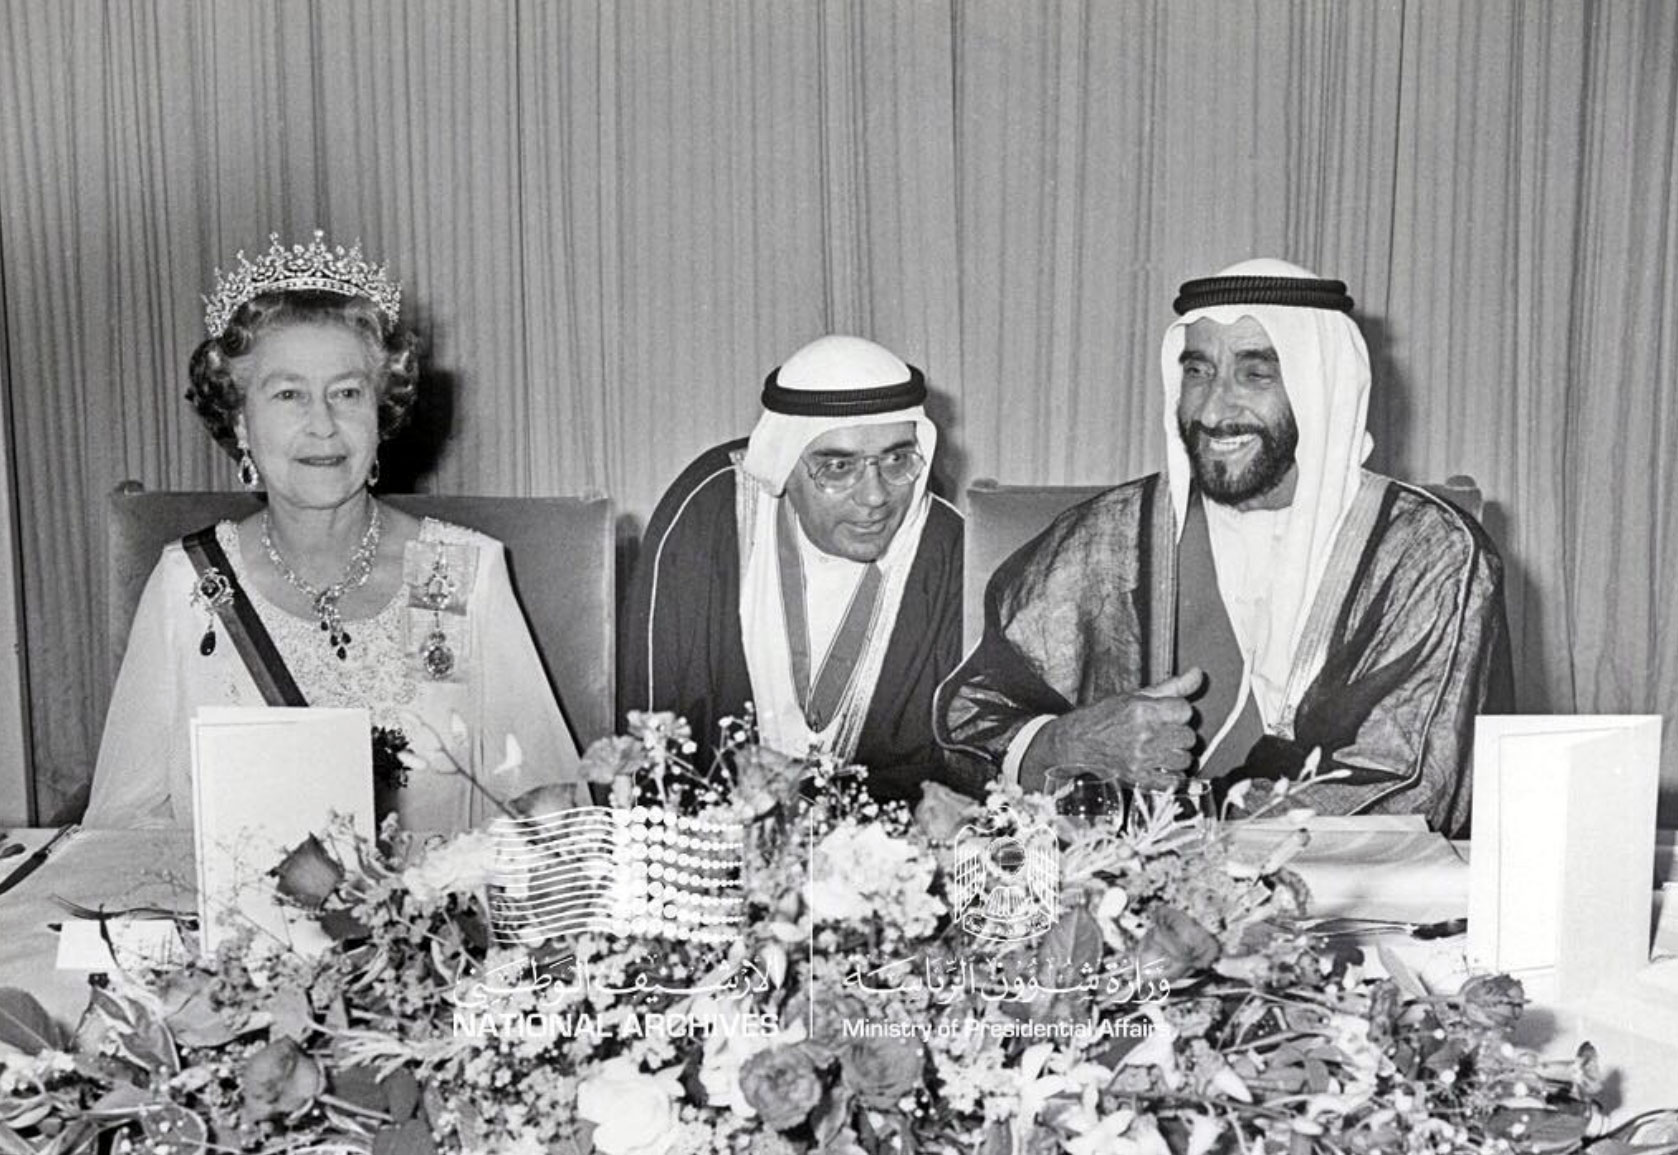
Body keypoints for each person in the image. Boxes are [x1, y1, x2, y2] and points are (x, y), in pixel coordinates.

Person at [936, 259, 1511, 834]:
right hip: (1121, 878)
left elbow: (1415, 789)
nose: (1212, 411)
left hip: (1344, 888)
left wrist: (1183, 823)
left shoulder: (1429, 553)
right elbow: (967, 725)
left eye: (1256, 375)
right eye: (1198, 372)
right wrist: (1061, 746)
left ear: (1320, 388)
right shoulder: (1108, 539)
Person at [86, 232, 581, 832]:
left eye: (346, 392)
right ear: (240, 421)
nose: (322, 424)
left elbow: (548, 820)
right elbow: (124, 825)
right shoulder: (188, 584)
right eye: (288, 394)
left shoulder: (455, 573)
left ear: (380, 411)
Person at [618, 335, 968, 802]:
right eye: (838, 466)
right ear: (783, 462)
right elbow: (650, 728)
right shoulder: (710, 513)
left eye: (897, 459)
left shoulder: (943, 546)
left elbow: (952, 767)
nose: (875, 496)